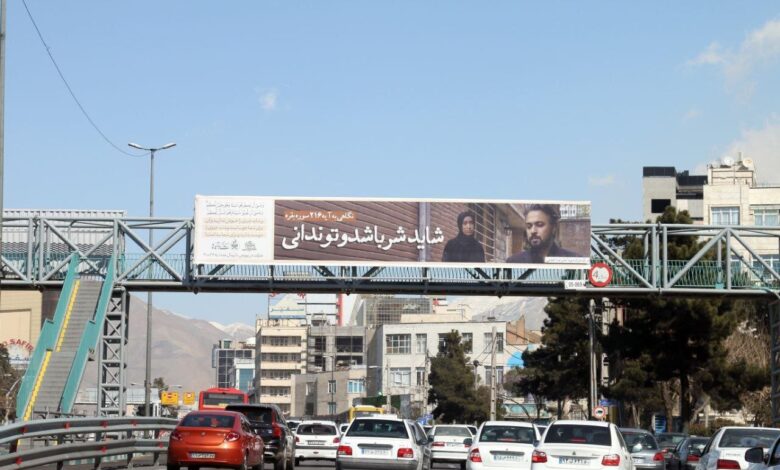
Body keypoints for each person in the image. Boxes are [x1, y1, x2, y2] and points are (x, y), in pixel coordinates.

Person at [506, 204, 579, 263]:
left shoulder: (573, 260)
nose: (533, 231)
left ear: (554, 228)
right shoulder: (514, 262)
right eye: (529, 226)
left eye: (539, 225)